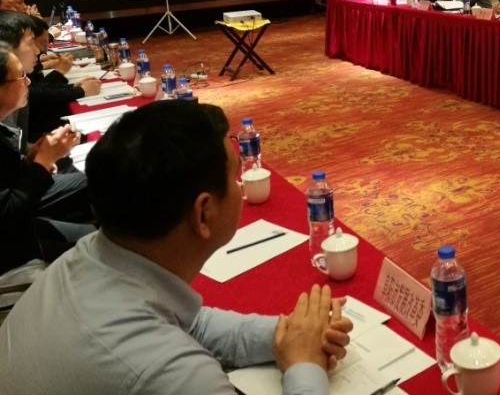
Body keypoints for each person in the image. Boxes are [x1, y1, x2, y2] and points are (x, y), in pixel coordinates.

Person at [0, 100, 353, 395]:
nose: (240, 187)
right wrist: (305, 365)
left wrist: (292, 334)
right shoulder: (167, 372)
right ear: (204, 213)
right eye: (235, 178)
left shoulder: (92, 253)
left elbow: (186, 322)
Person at [0, 43, 92, 274]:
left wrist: (31, 161)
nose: (28, 82)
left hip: (20, 228)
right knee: (98, 242)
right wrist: (42, 163)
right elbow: (7, 215)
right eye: (21, 76)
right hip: (11, 249)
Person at [27, 16, 102, 142]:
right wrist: (79, 90)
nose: (38, 51)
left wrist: (73, 87)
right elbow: (32, 94)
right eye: (29, 43)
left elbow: (36, 88)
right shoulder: (10, 66)